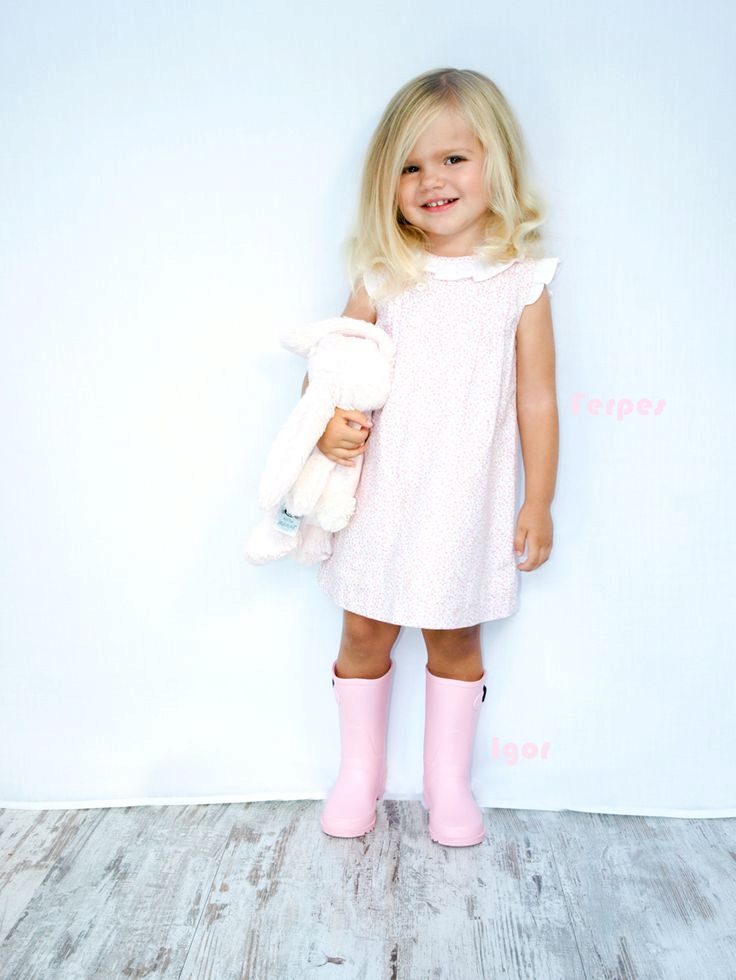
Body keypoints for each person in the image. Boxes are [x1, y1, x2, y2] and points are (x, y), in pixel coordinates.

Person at [304, 67, 560, 847]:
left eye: (453, 159)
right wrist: (329, 425)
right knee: (365, 632)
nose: (431, 181)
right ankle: (360, 775)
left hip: (464, 499)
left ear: (495, 163)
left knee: (454, 637)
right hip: (380, 495)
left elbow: (537, 399)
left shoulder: (521, 283)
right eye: (410, 166)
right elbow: (333, 372)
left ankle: (448, 786)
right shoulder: (383, 275)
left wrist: (539, 499)